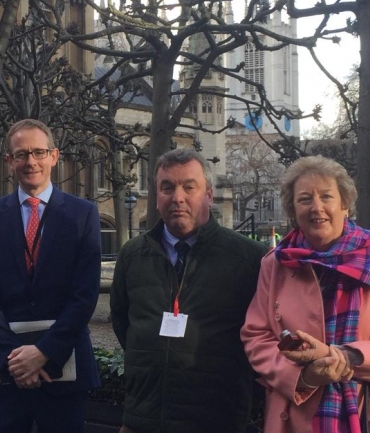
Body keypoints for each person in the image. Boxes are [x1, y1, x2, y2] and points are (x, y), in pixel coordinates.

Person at [241, 155, 370, 433]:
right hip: (297, 415)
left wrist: (346, 357)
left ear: (344, 204)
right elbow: (257, 337)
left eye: (326, 196)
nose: (317, 207)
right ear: (293, 209)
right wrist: (303, 375)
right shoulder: (275, 263)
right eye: (305, 199)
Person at [110, 148, 266, 433]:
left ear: (208, 193)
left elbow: (262, 340)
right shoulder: (132, 255)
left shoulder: (250, 258)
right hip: (144, 419)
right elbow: (123, 324)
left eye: (188, 187)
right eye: (167, 187)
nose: (177, 198)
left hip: (216, 420)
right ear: (157, 196)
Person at [0, 119, 102, 433]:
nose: (31, 162)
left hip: (63, 369)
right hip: (3, 373)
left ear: (54, 156)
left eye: (39, 152)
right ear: (9, 161)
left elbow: (84, 296)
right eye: (21, 154)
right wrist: (13, 361)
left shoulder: (83, 215)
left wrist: (44, 353)